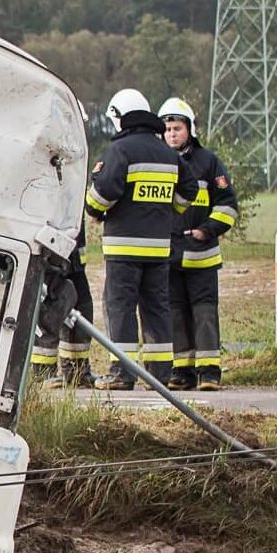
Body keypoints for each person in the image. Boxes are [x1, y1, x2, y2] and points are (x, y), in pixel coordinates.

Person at [83, 88, 199, 391]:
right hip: (159, 248)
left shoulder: (120, 151)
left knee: (120, 308)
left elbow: (102, 195)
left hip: (123, 248)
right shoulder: (166, 152)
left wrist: (95, 211)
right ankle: (159, 374)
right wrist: (169, 209)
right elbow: (190, 189)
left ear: (120, 118)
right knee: (157, 308)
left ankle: (123, 372)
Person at [159, 97, 238, 391]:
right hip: (169, 255)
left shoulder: (208, 162)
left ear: (189, 129)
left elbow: (228, 205)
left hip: (202, 254)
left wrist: (207, 230)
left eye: (177, 128)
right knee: (175, 313)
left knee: (204, 312)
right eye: (167, 129)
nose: (172, 134)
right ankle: (182, 371)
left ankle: (209, 372)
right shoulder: (158, 161)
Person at [30, 227, 96, 388]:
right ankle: (42, 373)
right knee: (49, 309)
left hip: (72, 253)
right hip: (47, 248)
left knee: (82, 305)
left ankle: (77, 372)